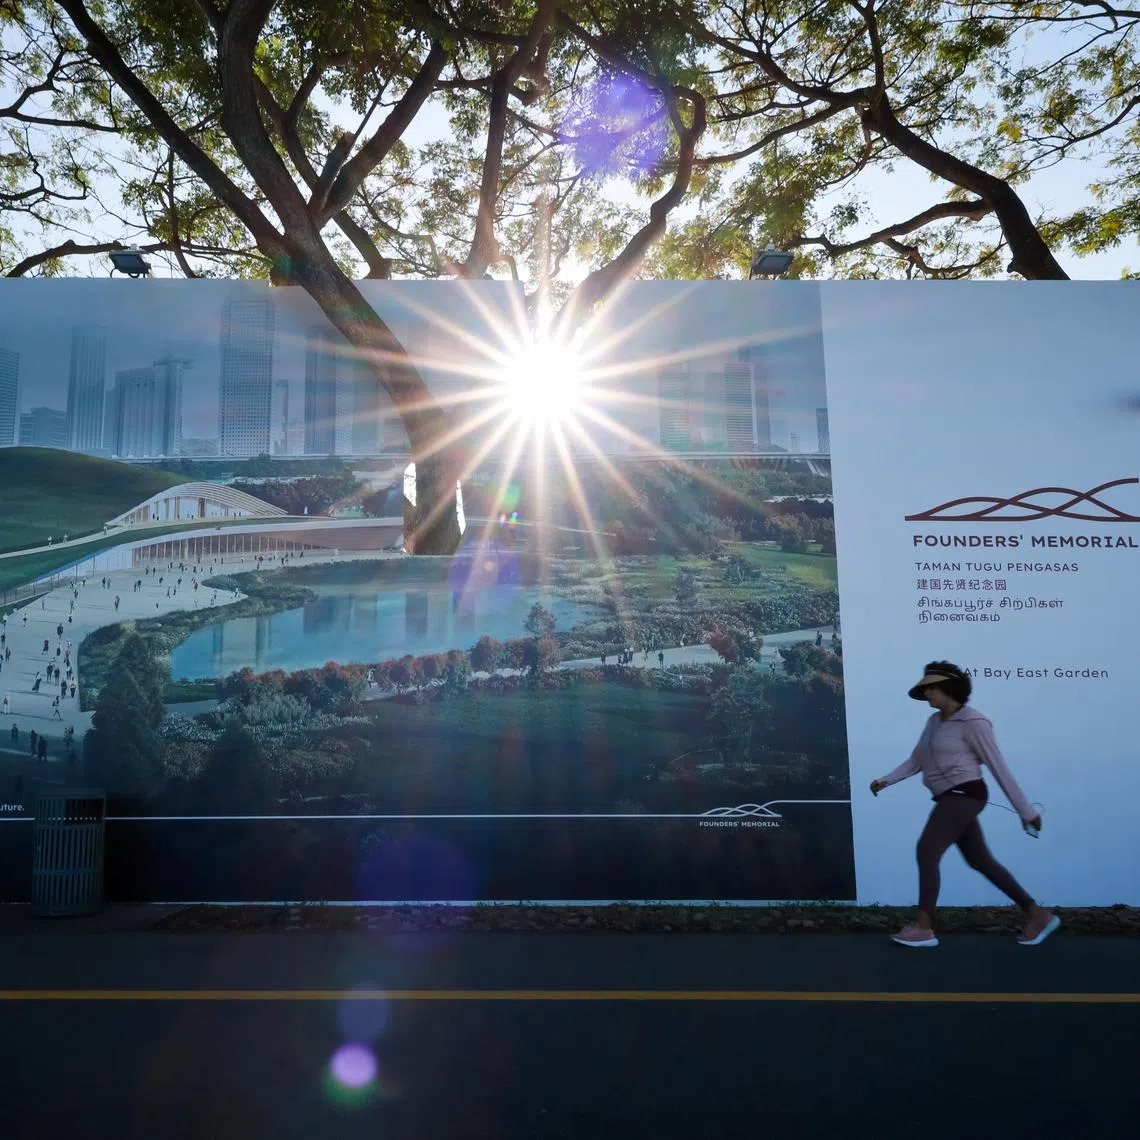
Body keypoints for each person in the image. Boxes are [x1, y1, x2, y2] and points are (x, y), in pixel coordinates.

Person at [870, 661, 1059, 949]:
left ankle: (924, 927)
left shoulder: (974, 722)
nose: (926, 693)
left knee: (927, 850)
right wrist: (886, 780)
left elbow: (999, 767)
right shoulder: (933, 723)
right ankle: (1038, 914)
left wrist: (1026, 811)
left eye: (931, 687)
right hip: (949, 798)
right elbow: (917, 760)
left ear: (948, 688)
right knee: (980, 861)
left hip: (965, 794)